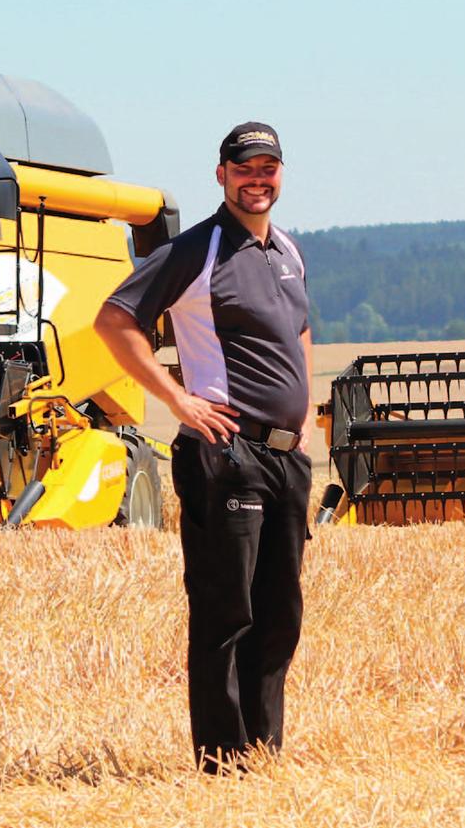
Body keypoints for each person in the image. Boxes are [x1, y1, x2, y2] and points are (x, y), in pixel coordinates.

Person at [94, 121, 313, 773]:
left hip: (285, 458)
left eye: (268, 167)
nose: (257, 179)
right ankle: (222, 765)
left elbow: (299, 330)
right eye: (245, 168)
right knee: (228, 613)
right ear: (221, 174)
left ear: (281, 174)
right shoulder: (199, 249)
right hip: (227, 454)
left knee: (280, 613)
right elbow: (115, 319)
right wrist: (175, 398)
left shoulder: (290, 253)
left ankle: (262, 757)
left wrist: (301, 427)